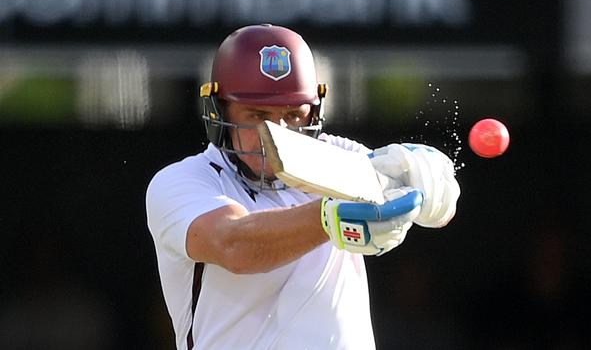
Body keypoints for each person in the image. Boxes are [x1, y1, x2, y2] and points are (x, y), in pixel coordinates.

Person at [146, 24, 460, 350]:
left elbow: (415, 192)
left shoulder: (335, 157)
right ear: (219, 110)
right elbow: (234, 244)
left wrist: (430, 184)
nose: (277, 133)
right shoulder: (182, 181)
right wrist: (328, 220)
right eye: (257, 115)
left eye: (294, 114)